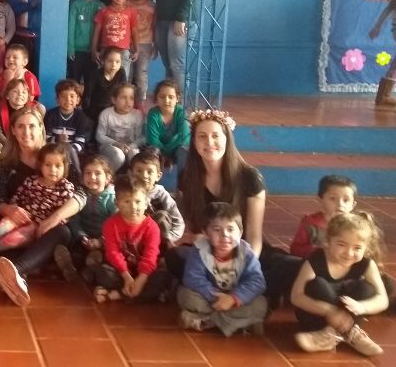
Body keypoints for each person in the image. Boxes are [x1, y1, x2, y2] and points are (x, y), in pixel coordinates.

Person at [171, 108, 302, 308]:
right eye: (202, 136)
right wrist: (210, 263)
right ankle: (240, 296)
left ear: (227, 139)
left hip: (246, 251)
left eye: (216, 136)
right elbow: (198, 234)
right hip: (211, 252)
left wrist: (241, 269)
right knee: (174, 258)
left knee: (295, 266)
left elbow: (254, 236)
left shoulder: (250, 177)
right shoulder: (187, 178)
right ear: (194, 142)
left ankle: (231, 295)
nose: (209, 142)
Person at [0, 107, 85, 307]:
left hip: (56, 224)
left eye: (32, 126)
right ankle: (20, 276)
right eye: (21, 126)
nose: (27, 132)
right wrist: (9, 210)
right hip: (20, 223)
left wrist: (54, 219)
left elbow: (82, 193)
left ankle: (17, 270)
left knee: (62, 232)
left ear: (41, 128)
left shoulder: (61, 152)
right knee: (0, 239)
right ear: (13, 130)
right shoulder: (5, 161)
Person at [289, 174, 396, 315]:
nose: (340, 204)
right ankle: (337, 309)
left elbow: (366, 256)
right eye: (333, 199)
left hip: (350, 278)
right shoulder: (311, 224)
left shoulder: (358, 226)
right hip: (323, 274)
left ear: (353, 204)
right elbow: (295, 249)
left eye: (346, 200)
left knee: (384, 283)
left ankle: (372, 305)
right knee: (311, 283)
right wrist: (322, 252)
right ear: (321, 199)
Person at [291, 212, 388, 357]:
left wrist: (362, 307)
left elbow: (383, 299)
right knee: (316, 284)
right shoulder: (315, 261)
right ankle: (334, 333)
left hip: (348, 316)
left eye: (357, 248)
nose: (349, 253)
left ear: (366, 248)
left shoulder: (367, 264)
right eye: (342, 244)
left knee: (367, 289)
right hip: (317, 315)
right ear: (328, 242)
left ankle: (337, 334)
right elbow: (296, 297)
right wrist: (330, 311)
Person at [0, 143, 76, 261]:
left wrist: (47, 226)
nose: (53, 170)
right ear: (41, 166)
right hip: (21, 217)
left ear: (65, 166)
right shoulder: (32, 181)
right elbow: (17, 197)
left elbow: (64, 216)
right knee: (0, 227)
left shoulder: (65, 188)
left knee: (13, 239)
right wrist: (14, 211)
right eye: (48, 165)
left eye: (58, 165)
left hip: (37, 227)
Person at [178, 202, 267, 336]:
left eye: (230, 229)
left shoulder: (246, 253)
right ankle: (240, 322)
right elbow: (192, 278)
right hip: (210, 297)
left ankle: (207, 321)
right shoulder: (199, 250)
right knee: (186, 296)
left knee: (260, 304)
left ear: (240, 232)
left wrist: (233, 298)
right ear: (206, 233)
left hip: (235, 298)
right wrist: (214, 296)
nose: (225, 235)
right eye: (217, 230)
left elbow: (257, 281)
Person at [92, 175, 171, 304]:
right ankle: (137, 295)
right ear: (117, 203)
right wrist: (126, 276)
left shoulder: (152, 227)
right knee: (104, 273)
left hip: (145, 272)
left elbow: (151, 255)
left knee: (163, 276)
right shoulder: (110, 225)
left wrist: (141, 279)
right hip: (122, 271)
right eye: (127, 202)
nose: (133, 207)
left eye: (138, 201)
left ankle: (119, 294)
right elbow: (113, 253)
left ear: (146, 203)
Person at [53, 153, 115, 284]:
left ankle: (91, 267)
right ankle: (70, 267)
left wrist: (100, 241)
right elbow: (75, 219)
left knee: (105, 255)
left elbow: (115, 224)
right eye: (88, 173)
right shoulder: (80, 195)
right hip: (84, 238)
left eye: (98, 173)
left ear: (108, 178)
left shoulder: (112, 199)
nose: (92, 177)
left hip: (103, 240)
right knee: (76, 253)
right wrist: (82, 236)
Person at [128, 149, 185, 246]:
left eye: (150, 172)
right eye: (139, 171)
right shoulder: (127, 193)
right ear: (131, 174)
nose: (144, 175)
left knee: (161, 216)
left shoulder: (161, 194)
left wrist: (170, 237)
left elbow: (178, 220)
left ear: (158, 176)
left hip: (159, 239)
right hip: (135, 237)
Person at [91, 0, 138, 81]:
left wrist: (136, 50)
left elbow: (134, 32)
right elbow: (96, 33)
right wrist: (94, 50)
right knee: (104, 79)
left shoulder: (131, 12)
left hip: (124, 52)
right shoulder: (103, 11)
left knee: (123, 80)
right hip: (105, 50)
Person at [95, 83, 144, 172]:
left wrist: (131, 146)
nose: (128, 101)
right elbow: (99, 136)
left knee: (135, 155)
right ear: (114, 100)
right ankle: (108, 176)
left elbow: (141, 137)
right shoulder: (106, 114)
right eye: (123, 98)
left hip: (130, 147)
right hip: (110, 147)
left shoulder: (137, 115)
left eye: (131, 98)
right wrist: (116, 143)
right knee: (119, 155)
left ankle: (134, 177)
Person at [44, 79, 93, 166]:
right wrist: (58, 139)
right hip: (53, 152)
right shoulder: (50, 115)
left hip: (73, 154)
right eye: (63, 96)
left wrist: (68, 152)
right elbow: (46, 138)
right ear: (57, 99)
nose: (68, 99)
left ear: (78, 100)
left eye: (72, 96)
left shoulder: (81, 117)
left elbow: (80, 142)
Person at [146, 79, 190, 175]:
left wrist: (167, 151)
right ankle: (152, 180)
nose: (166, 100)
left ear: (177, 98)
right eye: (162, 97)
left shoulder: (181, 112)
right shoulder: (153, 114)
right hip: (158, 149)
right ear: (156, 98)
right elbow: (152, 139)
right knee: (152, 151)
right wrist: (163, 153)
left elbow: (183, 137)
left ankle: (183, 181)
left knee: (184, 151)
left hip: (177, 147)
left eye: (171, 97)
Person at [68, 0, 103, 82]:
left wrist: (101, 50)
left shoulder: (101, 6)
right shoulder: (76, 5)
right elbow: (71, 27)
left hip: (94, 51)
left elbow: (104, 31)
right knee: (74, 81)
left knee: (91, 81)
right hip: (77, 50)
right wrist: (70, 48)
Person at [128, 0, 157, 102]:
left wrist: (155, 45)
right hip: (127, 44)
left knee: (141, 74)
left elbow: (155, 26)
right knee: (126, 74)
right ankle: (126, 100)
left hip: (145, 44)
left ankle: (141, 102)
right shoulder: (127, 4)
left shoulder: (153, 6)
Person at [83, 47, 127, 123]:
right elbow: (87, 95)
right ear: (103, 61)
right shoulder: (95, 74)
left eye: (117, 62)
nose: (114, 65)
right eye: (110, 61)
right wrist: (86, 115)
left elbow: (124, 92)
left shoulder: (121, 72)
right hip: (96, 110)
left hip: (113, 109)